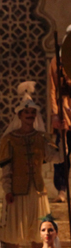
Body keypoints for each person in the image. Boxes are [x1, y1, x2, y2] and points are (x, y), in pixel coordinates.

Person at [0, 82, 64, 248]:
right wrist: (7, 190)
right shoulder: (9, 139)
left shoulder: (41, 138)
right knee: (12, 238)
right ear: (19, 115)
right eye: (26, 112)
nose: (30, 115)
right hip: (17, 194)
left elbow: (57, 158)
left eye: (33, 112)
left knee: (40, 236)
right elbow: (6, 170)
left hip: (37, 193)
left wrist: (63, 136)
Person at [49, 25, 71, 203]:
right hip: (65, 111)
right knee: (62, 153)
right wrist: (55, 114)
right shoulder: (57, 60)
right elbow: (52, 89)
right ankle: (62, 190)